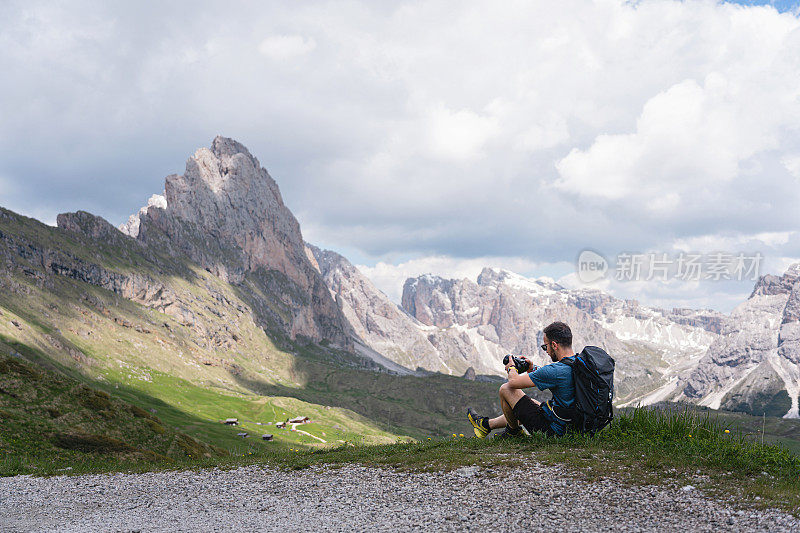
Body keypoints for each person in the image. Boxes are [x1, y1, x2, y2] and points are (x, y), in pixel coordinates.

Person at [467, 321, 576, 438]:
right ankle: (486, 425)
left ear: (554, 345)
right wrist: (532, 368)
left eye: (545, 347)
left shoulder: (555, 370)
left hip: (555, 433)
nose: (547, 351)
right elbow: (552, 376)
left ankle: (513, 433)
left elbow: (513, 382)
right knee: (534, 404)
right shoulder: (577, 362)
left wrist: (511, 367)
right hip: (575, 426)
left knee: (506, 389)